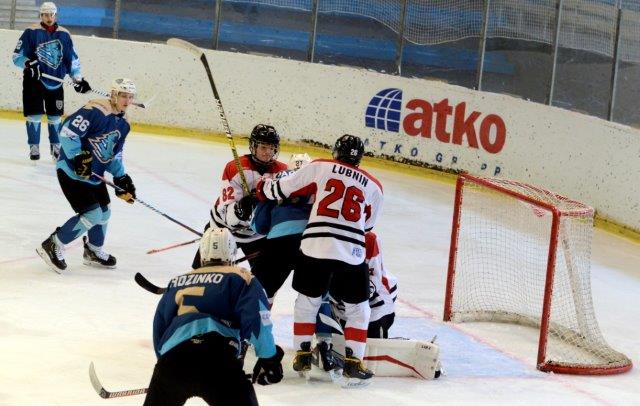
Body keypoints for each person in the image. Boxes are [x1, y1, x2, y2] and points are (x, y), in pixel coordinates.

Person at [256, 134, 384, 383]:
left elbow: (281, 188)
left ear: (336, 152)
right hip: (351, 250)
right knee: (359, 309)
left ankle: (302, 353)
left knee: (308, 301)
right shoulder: (374, 185)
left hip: (315, 245)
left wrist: (262, 187)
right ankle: (353, 362)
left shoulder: (320, 166)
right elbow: (368, 224)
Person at [144, 228, 284, 406]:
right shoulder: (242, 278)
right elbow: (257, 323)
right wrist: (269, 358)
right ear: (232, 251)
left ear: (202, 253)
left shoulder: (177, 282)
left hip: (173, 362)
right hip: (218, 361)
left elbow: (160, 327)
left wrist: (166, 371)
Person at [36, 78, 137, 272]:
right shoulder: (96, 111)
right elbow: (67, 131)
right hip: (71, 172)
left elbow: (113, 154)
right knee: (93, 214)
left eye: (130, 96)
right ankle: (53, 243)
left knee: (104, 212)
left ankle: (93, 250)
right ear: (114, 95)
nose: (127, 100)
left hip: (94, 174)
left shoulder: (124, 123)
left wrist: (121, 177)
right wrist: (77, 157)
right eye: (123, 95)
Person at [191, 124, 288, 270]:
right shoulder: (235, 168)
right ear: (253, 147)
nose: (268, 152)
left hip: (257, 232)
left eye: (272, 147)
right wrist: (239, 209)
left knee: (265, 276)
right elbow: (227, 214)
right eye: (263, 147)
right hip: (224, 228)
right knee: (204, 272)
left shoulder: (282, 171)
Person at [11, 1, 91, 161]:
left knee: (55, 116)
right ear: (41, 15)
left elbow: (72, 60)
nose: (49, 18)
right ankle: (34, 147)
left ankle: (56, 148)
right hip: (34, 81)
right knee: (34, 114)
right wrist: (28, 63)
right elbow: (17, 56)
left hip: (56, 81)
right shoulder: (30, 32)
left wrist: (77, 78)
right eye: (45, 15)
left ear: (56, 15)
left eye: (51, 14)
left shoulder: (64, 34)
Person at [250, 153, 312, 305]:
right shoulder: (320, 182)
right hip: (314, 244)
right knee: (314, 300)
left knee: (259, 294)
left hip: (279, 242)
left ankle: (260, 319)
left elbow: (258, 225)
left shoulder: (277, 181)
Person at [331, 231, 398, 338]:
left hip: (375, 307)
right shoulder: (327, 235)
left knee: (371, 342)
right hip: (342, 307)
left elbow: (374, 278)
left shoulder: (369, 239)